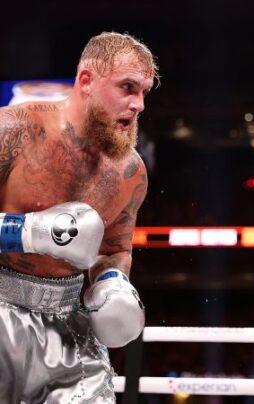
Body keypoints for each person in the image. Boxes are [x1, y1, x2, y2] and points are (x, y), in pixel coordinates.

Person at [0, 32, 157, 403]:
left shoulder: (130, 172)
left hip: (68, 327)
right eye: (128, 88)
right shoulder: (14, 130)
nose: (139, 105)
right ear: (86, 81)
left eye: (144, 92)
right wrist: (28, 232)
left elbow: (115, 248)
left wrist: (113, 283)